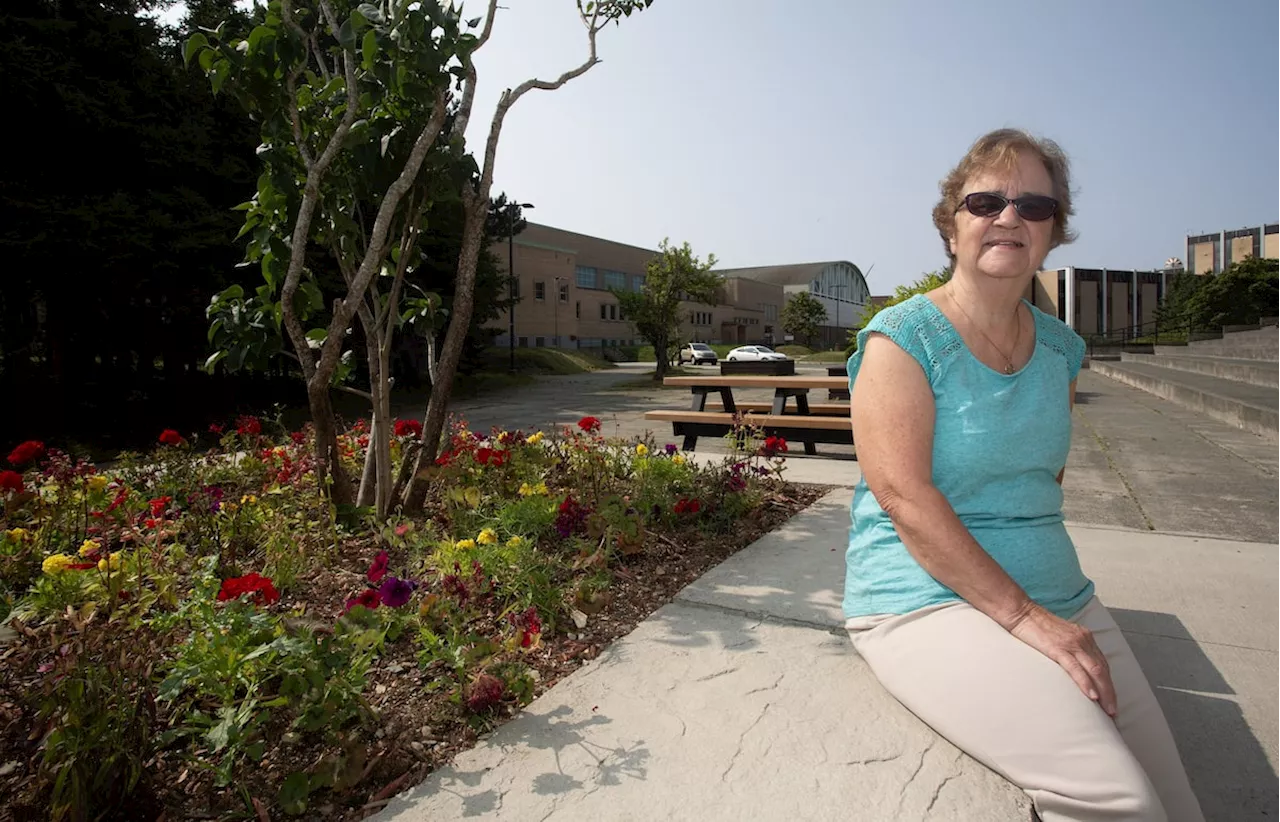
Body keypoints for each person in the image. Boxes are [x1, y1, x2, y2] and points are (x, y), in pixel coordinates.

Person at [843, 129, 1204, 822]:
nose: (1009, 217)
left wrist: (1047, 610)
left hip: (1059, 596)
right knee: (1117, 800)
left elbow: (1044, 485)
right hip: (925, 601)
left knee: (1178, 803)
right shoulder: (902, 339)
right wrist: (1021, 617)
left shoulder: (1063, 350)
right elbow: (902, 497)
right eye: (986, 201)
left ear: (1053, 233)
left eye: (1034, 205)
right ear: (952, 227)